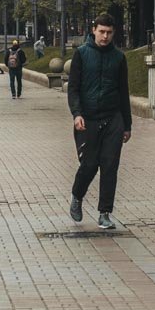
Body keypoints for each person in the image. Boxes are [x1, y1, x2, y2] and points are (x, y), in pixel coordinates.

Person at [67, 13, 132, 230]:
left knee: (110, 166)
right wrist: (77, 114)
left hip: (113, 118)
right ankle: (77, 196)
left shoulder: (118, 58)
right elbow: (73, 88)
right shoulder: (82, 54)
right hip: (88, 119)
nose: (105, 36)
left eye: (109, 33)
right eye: (101, 31)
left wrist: (127, 125)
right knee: (89, 165)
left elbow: (124, 92)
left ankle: (105, 213)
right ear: (93, 30)